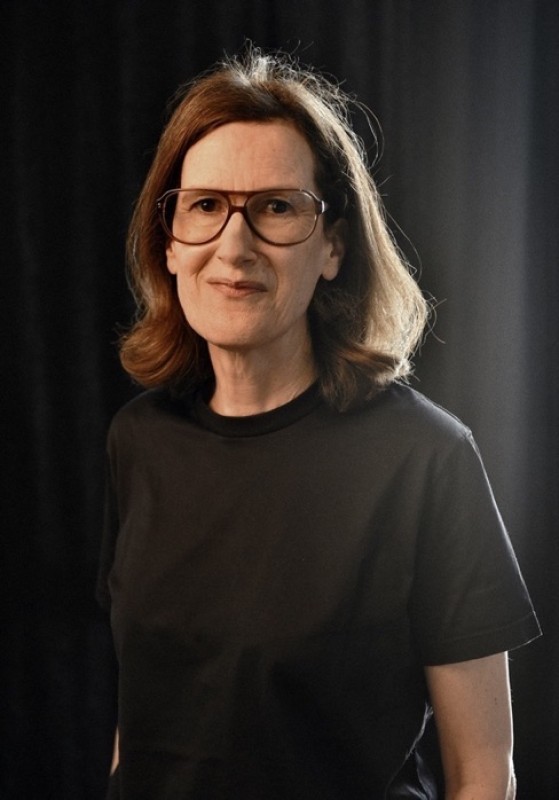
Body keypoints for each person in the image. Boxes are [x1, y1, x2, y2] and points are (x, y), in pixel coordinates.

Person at [97, 48, 541, 799]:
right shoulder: (138, 440)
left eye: (276, 207)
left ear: (333, 246)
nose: (234, 246)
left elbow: (483, 772)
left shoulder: (424, 457)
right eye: (205, 206)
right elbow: (143, 716)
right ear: (168, 241)